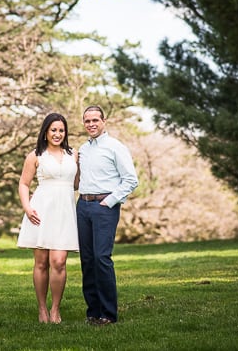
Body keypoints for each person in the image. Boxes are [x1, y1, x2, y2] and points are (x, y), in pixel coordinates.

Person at [77, 105, 138, 325]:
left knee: (101, 258)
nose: (91, 124)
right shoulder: (82, 149)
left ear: (104, 121)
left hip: (104, 207)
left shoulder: (115, 147)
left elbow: (131, 179)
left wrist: (109, 201)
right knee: (87, 259)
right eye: (87, 121)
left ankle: (108, 314)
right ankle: (93, 311)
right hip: (82, 206)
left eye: (95, 120)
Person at [17, 113, 80, 324]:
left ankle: (55, 309)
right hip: (41, 211)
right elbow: (24, 184)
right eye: (53, 130)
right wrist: (27, 207)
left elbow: (77, 183)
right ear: (45, 131)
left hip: (65, 212)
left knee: (59, 261)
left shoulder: (74, 154)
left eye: (61, 130)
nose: (57, 134)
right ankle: (42, 309)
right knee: (42, 262)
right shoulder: (35, 155)